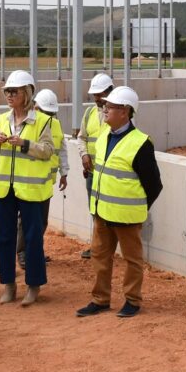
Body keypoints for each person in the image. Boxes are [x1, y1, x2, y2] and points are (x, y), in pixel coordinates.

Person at [76, 86, 162, 319]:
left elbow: (154, 185)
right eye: (105, 106)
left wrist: (136, 207)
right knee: (100, 256)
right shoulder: (104, 135)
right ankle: (100, 299)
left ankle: (132, 300)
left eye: (110, 107)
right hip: (102, 212)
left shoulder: (141, 143)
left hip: (126, 216)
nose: (104, 110)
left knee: (132, 260)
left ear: (125, 111)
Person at [0, 70, 54, 307]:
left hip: (30, 190)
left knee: (32, 239)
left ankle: (33, 286)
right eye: (7, 91)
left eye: (14, 91)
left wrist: (25, 144)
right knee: (4, 238)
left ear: (27, 93)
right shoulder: (2, 119)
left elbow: (48, 151)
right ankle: (8, 284)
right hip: (5, 189)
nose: (9, 95)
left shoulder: (43, 121)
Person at [16, 88, 66, 268]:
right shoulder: (27, 124)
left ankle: (34, 251)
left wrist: (64, 173)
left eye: (51, 113)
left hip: (45, 182)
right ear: (35, 107)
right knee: (25, 220)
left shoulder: (55, 125)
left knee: (41, 221)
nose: (48, 116)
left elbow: (61, 150)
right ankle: (22, 253)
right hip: (27, 180)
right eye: (45, 112)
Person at [75, 72, 113, 259]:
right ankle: (98, 246)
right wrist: (84, 155)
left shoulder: (118, 113)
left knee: (109, 211)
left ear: (110, 91)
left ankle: (106, 247)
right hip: (92, 172)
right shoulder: (89, 113)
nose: (97, 98)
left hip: (110, 174)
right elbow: (81, 137)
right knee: (94, 210)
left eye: (100, 94)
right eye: (95, 95)